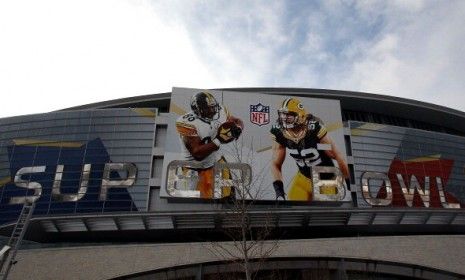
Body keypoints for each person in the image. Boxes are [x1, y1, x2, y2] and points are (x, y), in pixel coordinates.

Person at [270, 97, 349, 201]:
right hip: (302, 178)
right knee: (293, 212)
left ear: (300, 116)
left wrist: (349, 183)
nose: (284, 118)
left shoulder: (313, 129)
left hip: (325, 178)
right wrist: (279, 191)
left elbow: (338, 156)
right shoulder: (279, 132)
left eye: (289, 115)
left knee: (324, 214)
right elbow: (275, 163)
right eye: (282, 114)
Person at [175, 91, 243, 198]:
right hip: (195, 168)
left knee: (229, 199)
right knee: (203, 205)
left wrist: (238, 128)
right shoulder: (186, 122)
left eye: (213, 107)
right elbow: (197, 153)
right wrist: (219, 140)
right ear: (197, 110)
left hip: (217, 161)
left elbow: (237, 120)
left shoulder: (221, 110)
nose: (212, 110)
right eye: (208, 108)